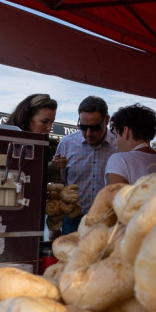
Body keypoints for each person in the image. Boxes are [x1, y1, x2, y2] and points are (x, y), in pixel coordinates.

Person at [53, 95, 118, 233]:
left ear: (106, 120)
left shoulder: (118, 145)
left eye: (94, 128)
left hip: (107, 220)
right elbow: (59, 184)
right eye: (83, 127)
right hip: (72, 219)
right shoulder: (67, 143)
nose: (88, 133)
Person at [105, 104, 156, 186]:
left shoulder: (119, 160)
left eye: (116, 135)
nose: (116, 142)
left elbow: (115, 197)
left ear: (125, 131)